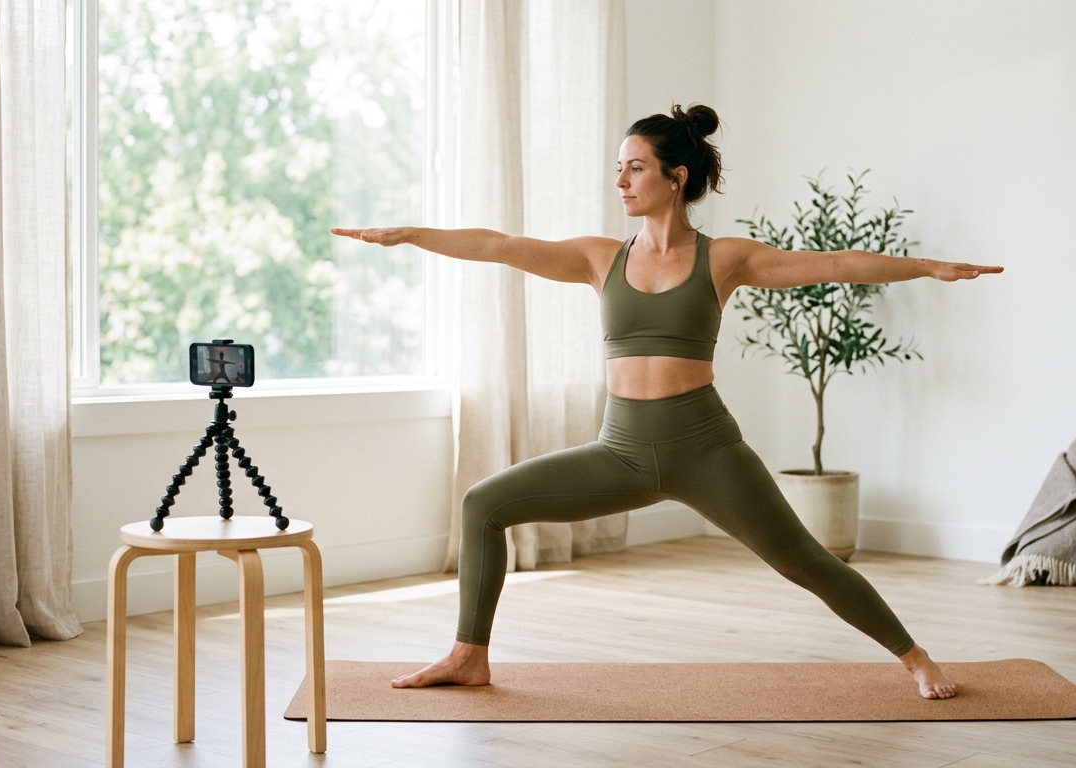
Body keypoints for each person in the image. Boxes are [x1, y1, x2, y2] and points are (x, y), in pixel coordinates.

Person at [332, 104, 1001, 700]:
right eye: (619, 169)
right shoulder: (599, 258)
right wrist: (413, 234)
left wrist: (928, 267)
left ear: (675, 177)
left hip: (707, 451)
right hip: (620, 452)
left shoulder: (724, 258)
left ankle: (915, 658)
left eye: (635, 168)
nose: (621, 181)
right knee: (483, 505)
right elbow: (500, 246)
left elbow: (833, 264)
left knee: (804, 560)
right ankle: (468, 656)